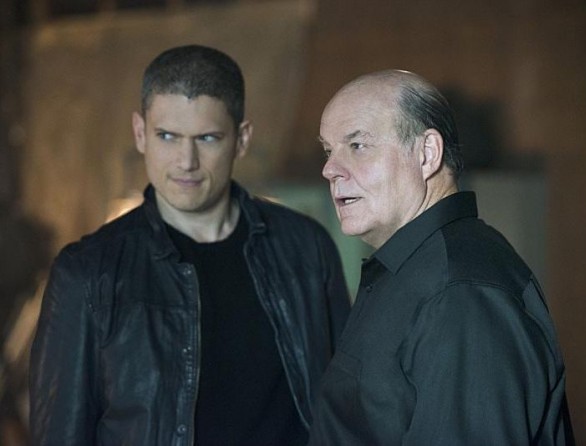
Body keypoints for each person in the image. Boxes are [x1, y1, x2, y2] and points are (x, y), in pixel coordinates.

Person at [29, 45, 350, 446]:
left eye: (207, 138)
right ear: (140, 133)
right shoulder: (88, 272)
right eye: (167, 136)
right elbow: (60, 433)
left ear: (241, 139)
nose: (186, 161)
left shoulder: (306, 248)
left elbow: (346, 402)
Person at [309, 70, 574, 445]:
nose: (329, 169)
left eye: (357, 145)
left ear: (427, 153)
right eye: (328, 150)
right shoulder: (417, 269)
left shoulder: (461, 291)